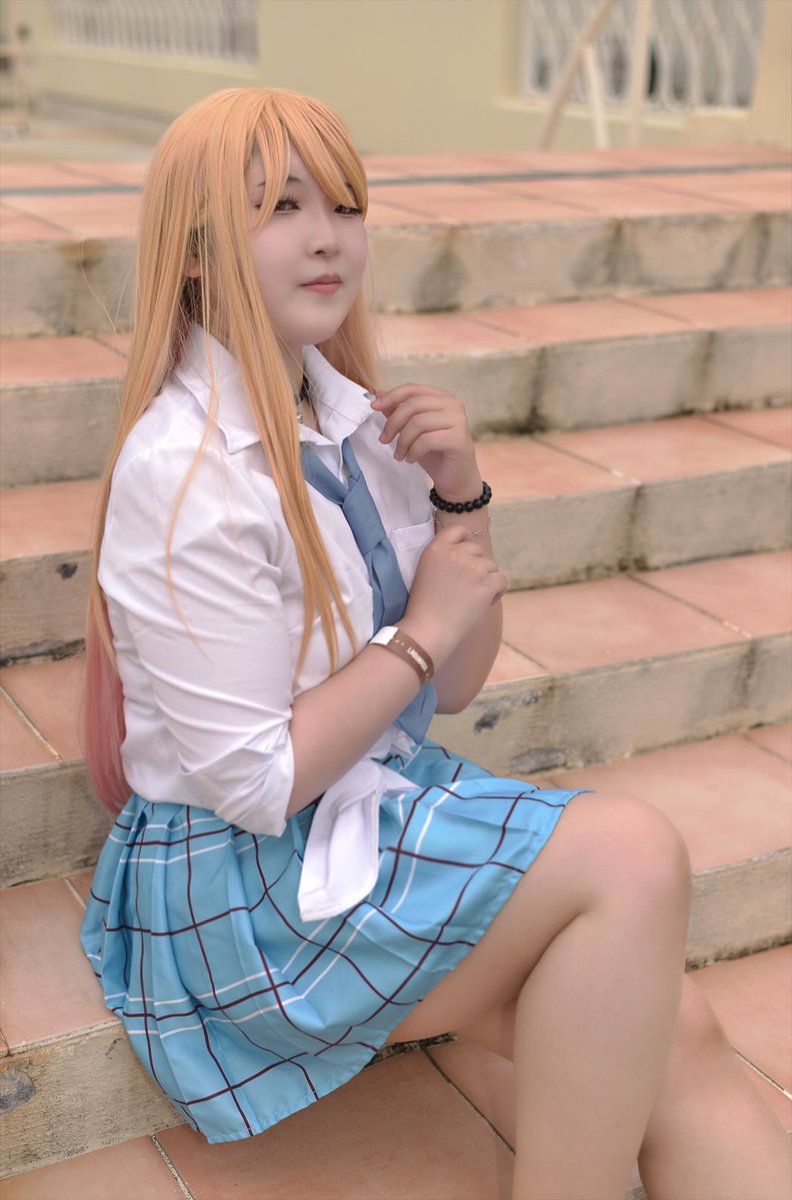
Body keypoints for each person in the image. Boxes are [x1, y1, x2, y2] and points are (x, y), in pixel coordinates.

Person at [80, 87, 791, 1200]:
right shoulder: (184, 472)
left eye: (345, 205)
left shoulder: (358, 423)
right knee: (632, 856)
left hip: (362, 813)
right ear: (199, 253)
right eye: (280, 207)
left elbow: (456, 682)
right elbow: (256, 780)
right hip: (243, 890)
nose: (327, 237)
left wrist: (461, 498)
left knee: (678, 1030)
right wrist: (416, 636)